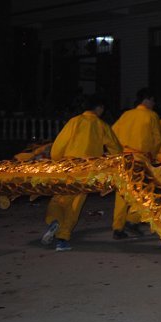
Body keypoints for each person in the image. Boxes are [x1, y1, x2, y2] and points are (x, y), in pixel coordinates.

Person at [41, 95, 122, 251]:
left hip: (68, 166)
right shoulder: (101, 125)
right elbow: (115, 148)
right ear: (98, 108)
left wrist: (57, 160)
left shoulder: (75, 121)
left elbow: (59, 145)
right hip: (88, 170)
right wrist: (116, 162)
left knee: (58, 197)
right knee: (75, 204)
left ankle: (54, 220)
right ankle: (62, 238)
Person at [110, 88, 161, 239]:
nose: (153, 104)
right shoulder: (152, 116)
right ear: (147, 100)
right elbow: (157, 140)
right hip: (140, 158)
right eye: (153, 101)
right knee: (144, 191)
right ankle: (132, 220)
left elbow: (112, 133)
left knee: (122, 193)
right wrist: (152, 155)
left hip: (123, 157)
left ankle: (117, 227)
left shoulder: (126, 115)